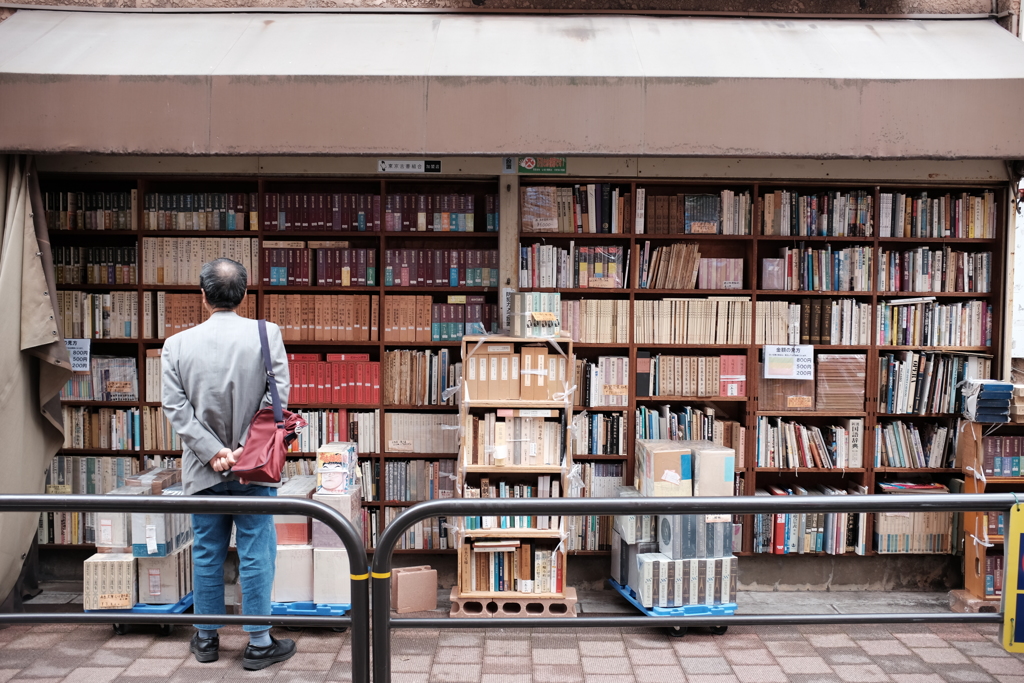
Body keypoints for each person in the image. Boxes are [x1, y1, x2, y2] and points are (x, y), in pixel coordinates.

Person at [162, 258, 295, 671]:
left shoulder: (176, 345)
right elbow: (278, 401)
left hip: (204, 470)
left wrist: (212, 451)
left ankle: (205, 639)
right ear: (244, 294)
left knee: (206, 551)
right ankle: (258, 642)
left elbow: (174, 406)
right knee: (257, 551)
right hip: (254, 466)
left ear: (202, 296)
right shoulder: (266, 334)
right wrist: (241, 450)